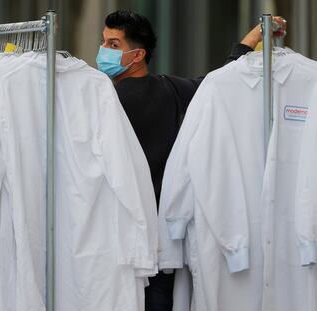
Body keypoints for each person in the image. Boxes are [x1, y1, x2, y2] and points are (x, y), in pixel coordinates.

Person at [95, 9, 286, 311]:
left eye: (114, 44)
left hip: (121, 240)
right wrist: (250, 41)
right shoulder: (171, 89)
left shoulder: (103, 100)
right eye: (104, 42)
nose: (103, 50)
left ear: (137, 54)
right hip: (165, 240)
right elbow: (219, 80)